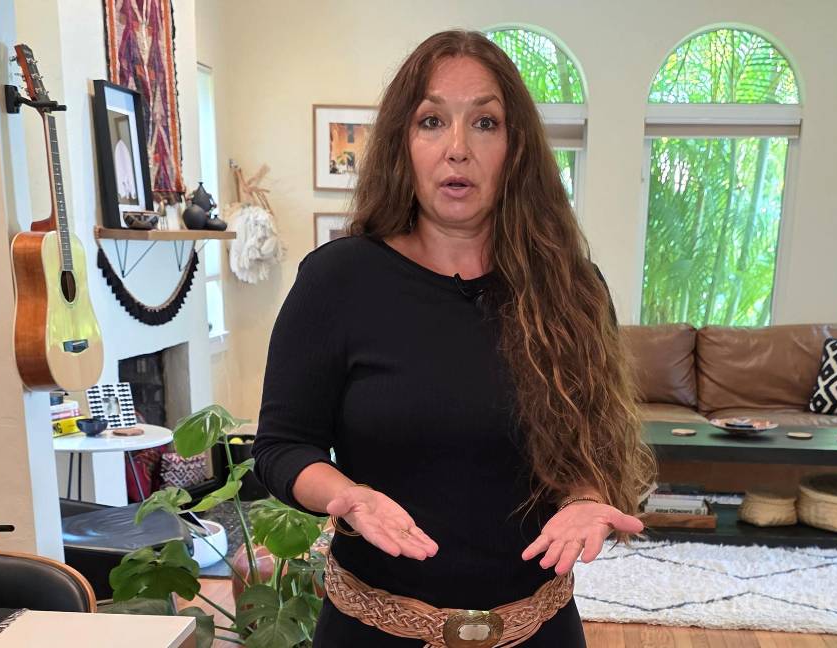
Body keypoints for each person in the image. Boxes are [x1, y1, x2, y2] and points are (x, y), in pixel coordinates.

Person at [253, 29, 655, 647]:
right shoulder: (337, 280)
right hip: (372, 632)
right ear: (403, 143)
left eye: (485, 123)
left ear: (515, 149)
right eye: (432, 121)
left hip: (538, 631)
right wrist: (348, 496)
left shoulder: (571, 287)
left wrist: (585, 496)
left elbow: (591, 441)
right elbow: (282, 447)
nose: (458, 149)